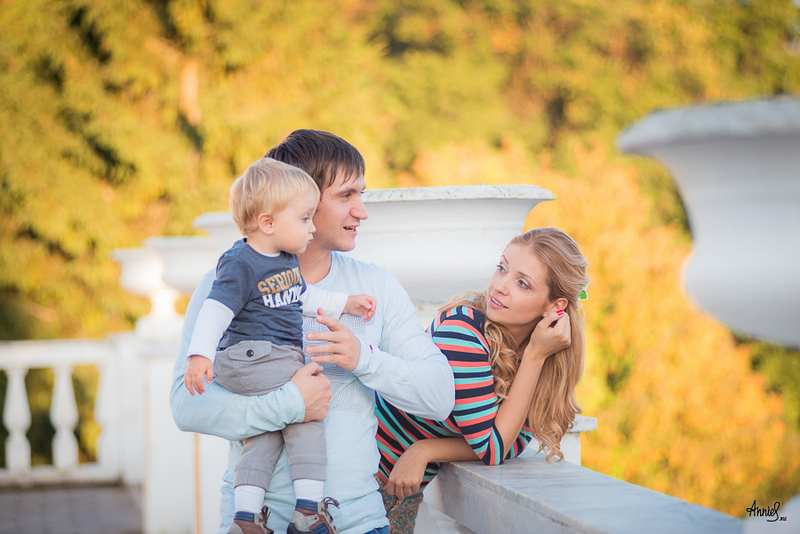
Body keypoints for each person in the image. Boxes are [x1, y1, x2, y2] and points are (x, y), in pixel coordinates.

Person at [170, 129, 455, 534]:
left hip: (360, 524)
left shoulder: (375, 287)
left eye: (361, 194)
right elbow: (186, 404)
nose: (362, 211)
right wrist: (290, 403)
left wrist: (363, 359)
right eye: (346, 196)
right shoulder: (225, 284)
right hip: (257, 524)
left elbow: (440, 397)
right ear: (297, 199)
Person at [183, 157, 377, 534]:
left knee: (266, 433)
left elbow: (303, 297)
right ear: (268, 223)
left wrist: (347, 302)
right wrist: (199, 354)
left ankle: (246, 518)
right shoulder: (240, 262)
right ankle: (308, 511)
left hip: (262, 360)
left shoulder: (284, 260)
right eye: (304, 219)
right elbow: (215, 309)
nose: (312, 227)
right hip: (256, 356)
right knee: (308, 411)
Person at [374, 227, 589, 534]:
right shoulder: (463, 330)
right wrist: (534, 357)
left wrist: (427, 450)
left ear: (555, 307)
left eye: (522, 283)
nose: (499, 286)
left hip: (394, 497)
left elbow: (513, 444)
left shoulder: (532, 356)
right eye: (502, 268)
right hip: (353, 484)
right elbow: (493, 448)